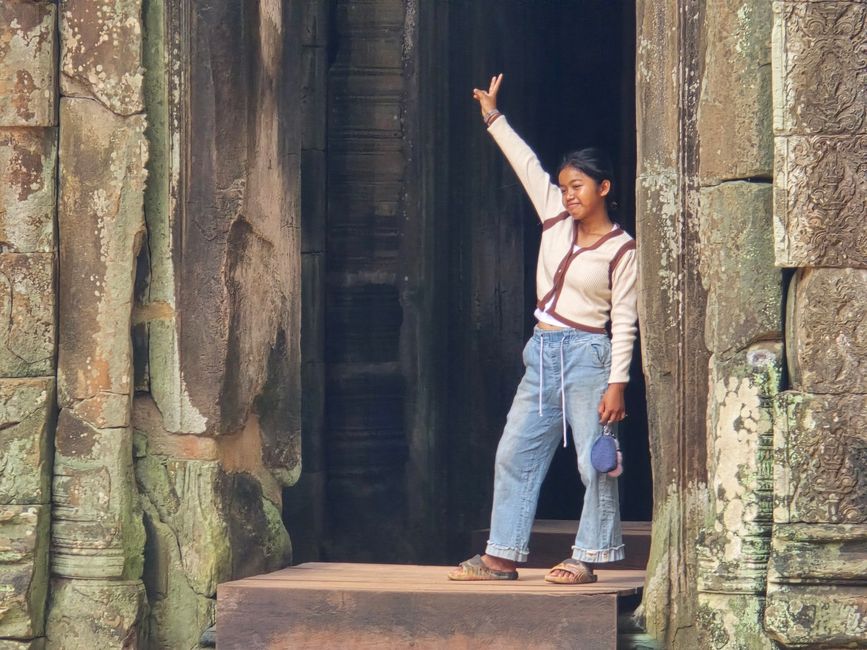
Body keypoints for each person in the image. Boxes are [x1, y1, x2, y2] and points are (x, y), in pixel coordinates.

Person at [447, 73, 638, 584]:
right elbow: (524, 162)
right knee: (515, 449)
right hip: (544, 351)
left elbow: (624, 320)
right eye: (564, 186)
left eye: (578, 186)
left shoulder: (622, 250)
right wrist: (493, 116)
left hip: (589, 357)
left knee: (595, 462)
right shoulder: (553, 215)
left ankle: (589, 557)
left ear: (603, 188)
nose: (568, 194)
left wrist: (617, 382)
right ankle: (501, 556)